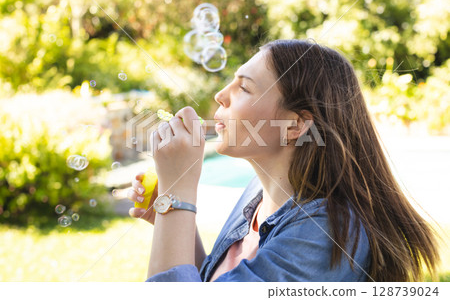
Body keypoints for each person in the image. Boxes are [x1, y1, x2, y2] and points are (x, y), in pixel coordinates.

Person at [127, 39, 440, 282]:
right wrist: (171, 216)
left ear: (295, 126)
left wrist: (177, 193)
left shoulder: (325, 234)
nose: (221, 95)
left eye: (244, 87)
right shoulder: (257, 195)